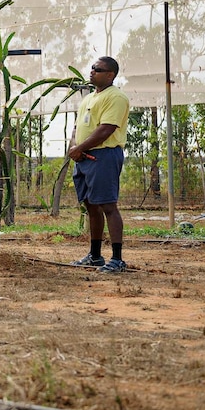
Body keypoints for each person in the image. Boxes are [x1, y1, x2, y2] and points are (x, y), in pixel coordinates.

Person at [68, 56, 130, 273]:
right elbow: (78, 127)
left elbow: (106, 129)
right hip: (84, 157)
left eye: (98, 69)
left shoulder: (116, 97)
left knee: (108, 206)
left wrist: (80, 148)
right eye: (92, 68)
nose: (92, 71)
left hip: (103, 156)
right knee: (90, 205)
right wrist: (73, 148)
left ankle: (117, 258)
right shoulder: (89, 98)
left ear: (110, 75)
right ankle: (95, 256)